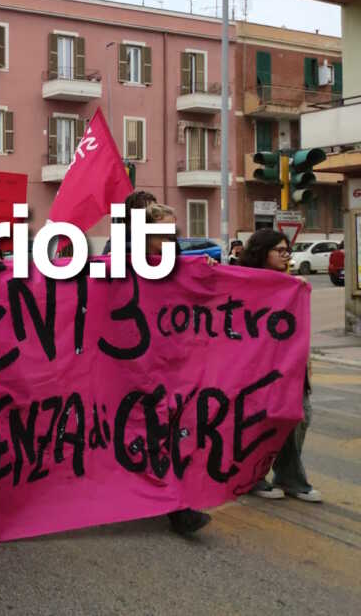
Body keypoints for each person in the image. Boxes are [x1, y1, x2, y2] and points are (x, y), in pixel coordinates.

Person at [139, 202, 214, 536]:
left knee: (169, 435)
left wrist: (209, 268)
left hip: (171, 366)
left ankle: (178, 507)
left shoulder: (181, 264)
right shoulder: (123, 262)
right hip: (132, 367)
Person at [240, 229, 322, 503]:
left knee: (300, 417)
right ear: (263, 252)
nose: (286, 256)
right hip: (260, 368)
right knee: (265, 423)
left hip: (291, 366)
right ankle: (260, 476)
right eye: (280, 250)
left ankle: (285, 476)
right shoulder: (246, 283)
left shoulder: (290, 284)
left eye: (288, 250)